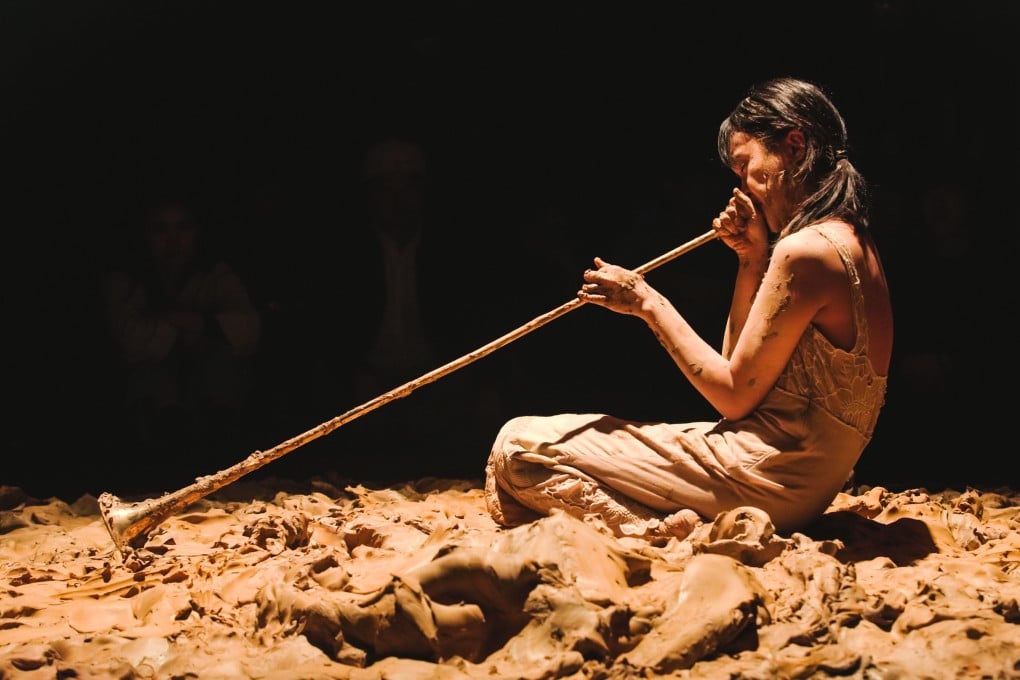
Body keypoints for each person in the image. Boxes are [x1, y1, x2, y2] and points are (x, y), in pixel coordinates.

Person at [485, 77, 893, 540]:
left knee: (519, 447)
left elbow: (732, 396)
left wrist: (646, 301)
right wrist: (751, 260)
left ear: (794, 144)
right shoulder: (852, 241)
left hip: (765, 480)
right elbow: (739, 382)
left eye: (746, 167)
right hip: (794, 485)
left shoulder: (806, 251)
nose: (745, 187)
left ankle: (665, 530)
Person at [102, 193, 262, 476]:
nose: (172, 240)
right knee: (153, 372)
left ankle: (220, 449)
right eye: (160, 229)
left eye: (182, 228)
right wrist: (190, 330)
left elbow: (248, 330)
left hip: (211, 406)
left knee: (222, 362)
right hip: (150, 419)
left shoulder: (215, 275)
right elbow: (130, 340)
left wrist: (181, 322)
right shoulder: (126, 282)